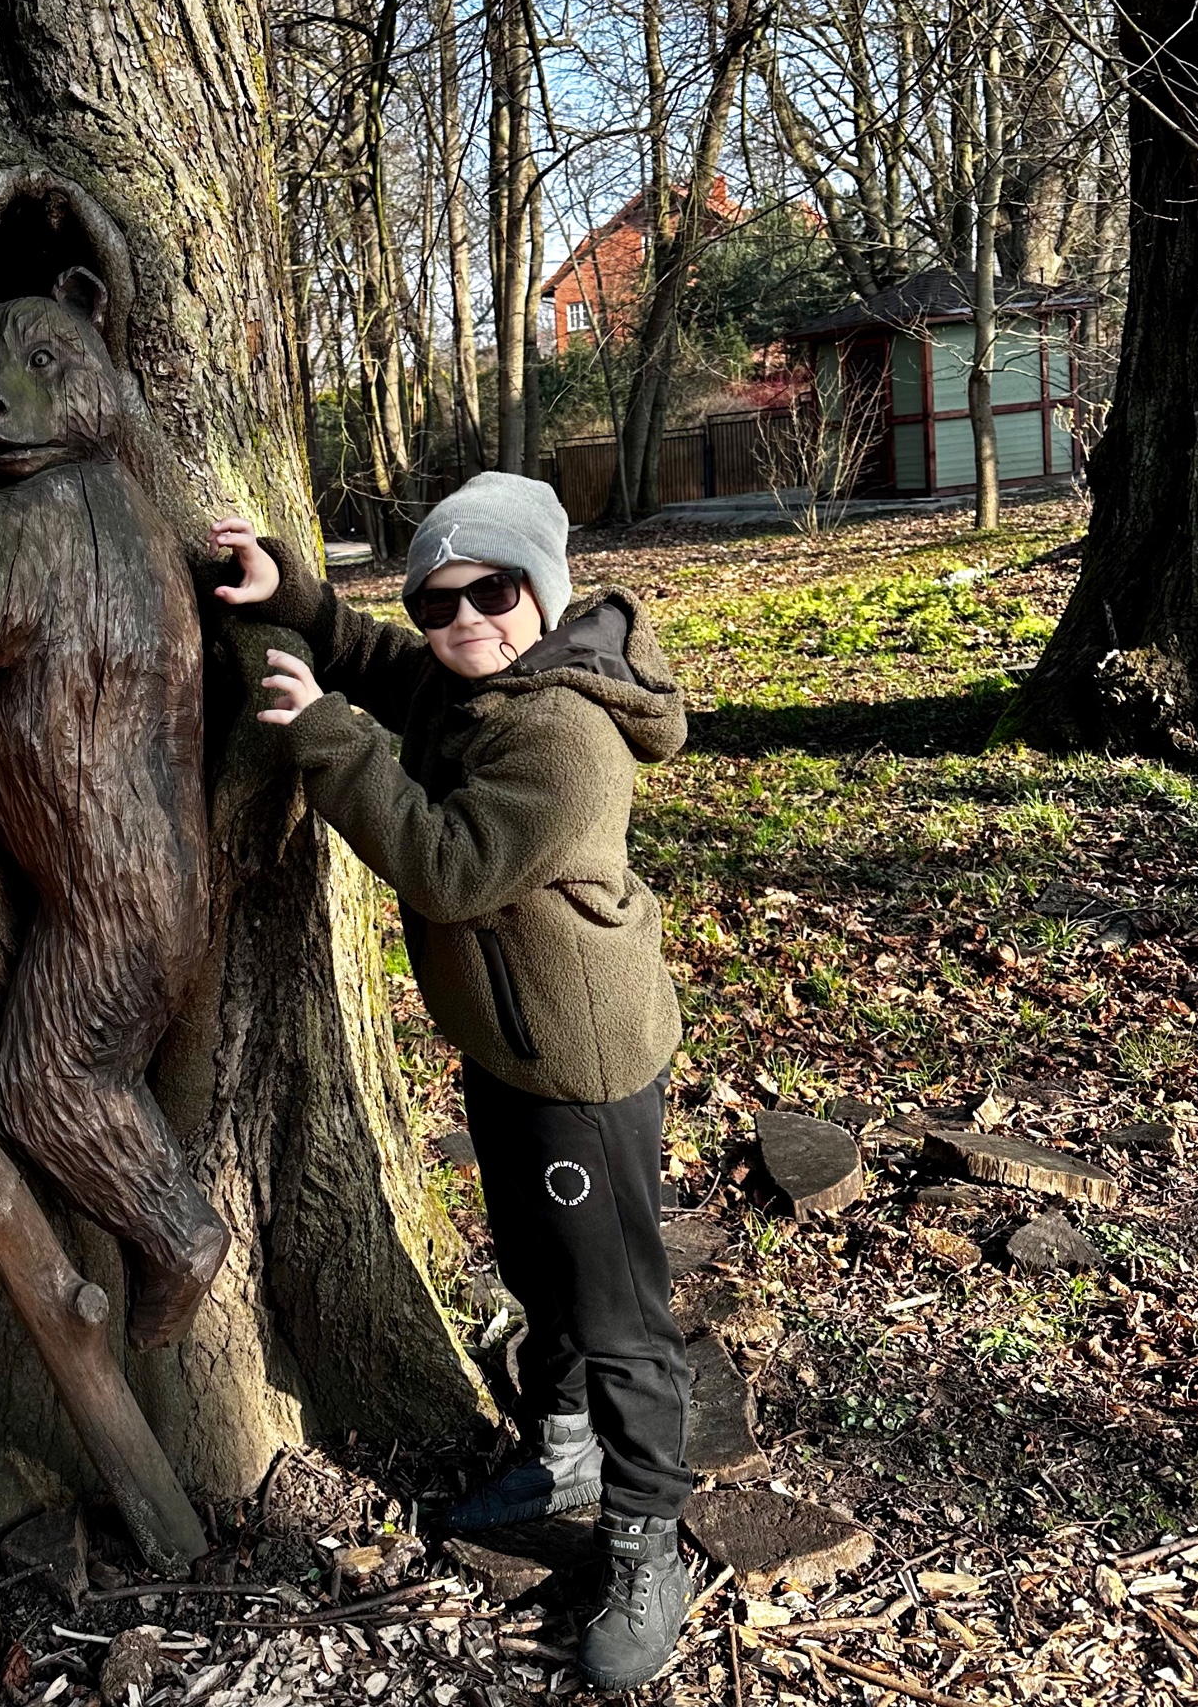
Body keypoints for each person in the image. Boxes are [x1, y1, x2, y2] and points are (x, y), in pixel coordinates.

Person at [210, 471, 694, 1693]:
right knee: (539, 1266)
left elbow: (450, 868)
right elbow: (396, 666)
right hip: (512, 1045)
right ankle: (564, 1451)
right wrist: (303, 602)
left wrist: (326, 734)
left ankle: (646, 1539)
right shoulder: (485, 677)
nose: (462, 619)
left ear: (546, 590)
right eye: (437, 600)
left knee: (618, 1311)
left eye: (493, 591)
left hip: (579, 1065)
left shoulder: (564, 735)